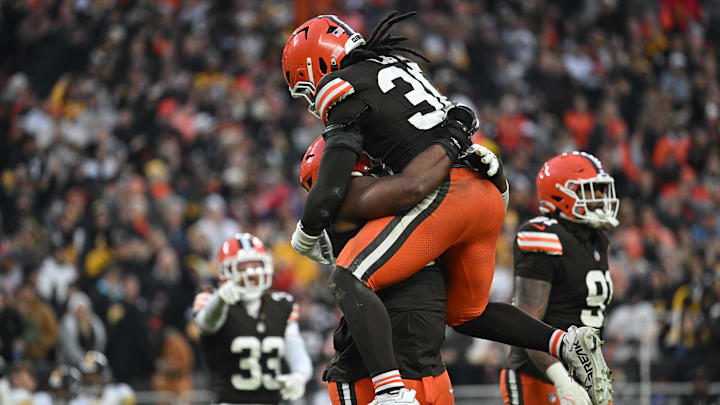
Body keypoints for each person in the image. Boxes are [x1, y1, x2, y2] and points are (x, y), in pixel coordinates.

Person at [282, 12, 612, 405]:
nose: (311, 101)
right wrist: (471, 148)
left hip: (447, 190)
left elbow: (391, 188)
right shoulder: (397, 67)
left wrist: (305, 234)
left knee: (349, 275)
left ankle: (391, 393)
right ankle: (562, 341)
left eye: (306, 88)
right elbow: (432, 136)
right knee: (468, 311)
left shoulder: (344, 91)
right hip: (482, 192)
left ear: (318, 65)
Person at [501, 152, 619, 405]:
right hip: (540, 376)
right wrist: (561, 379)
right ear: (560, 194)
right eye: (591, 190)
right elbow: (526, 322)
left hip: (586, 376)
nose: (600, 198)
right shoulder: (544, 235)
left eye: (601, 189)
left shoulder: (597, 238)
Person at [193, 233, 313, 405]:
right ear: (226, 271)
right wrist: (221, 300)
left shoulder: (282, 304)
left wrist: (299, 376)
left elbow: (296, 350)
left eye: (256, 266)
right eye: (242, 268)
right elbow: (206, 324)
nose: (250, 274)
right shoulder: (211, 300)